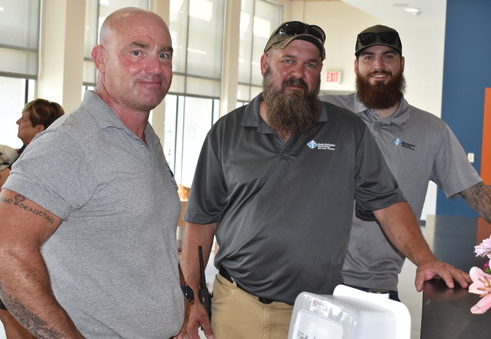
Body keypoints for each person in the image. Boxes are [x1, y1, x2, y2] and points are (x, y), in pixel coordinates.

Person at [181, 21, 471, 339]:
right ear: (265, 64)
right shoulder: (227, 132)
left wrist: (425, 259)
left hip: (319, 309)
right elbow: (201, 222)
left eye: (311, 64)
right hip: (237, 304)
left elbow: (388, 204)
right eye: (288, 60)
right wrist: (191, 299)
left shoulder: (348, 131)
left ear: (319, 72)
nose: (298, 73)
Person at [0, 7, 184, 338]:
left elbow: (155, 242)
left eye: (164, 54)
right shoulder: (69, 143)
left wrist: (185, 301)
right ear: (100, 58)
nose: (155, 67)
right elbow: (4, 250)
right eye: (137, 52)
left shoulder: (146, 139)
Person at [320, 24, 491, 301]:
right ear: (356, 65)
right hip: (312, 275)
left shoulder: (431, 130)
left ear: (402, 64)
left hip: (376, 285)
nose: (378, 65)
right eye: (368, 57)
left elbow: (475, 191)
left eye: (388, 56)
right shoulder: (327, 113)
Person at [0, 98, 65, 339]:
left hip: (37, 252)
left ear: (39, 129)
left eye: (23, 120)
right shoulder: (24, 155)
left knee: (22, 315)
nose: (17, 122)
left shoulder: (39, 159)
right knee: (11, 313)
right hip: (26, 251)